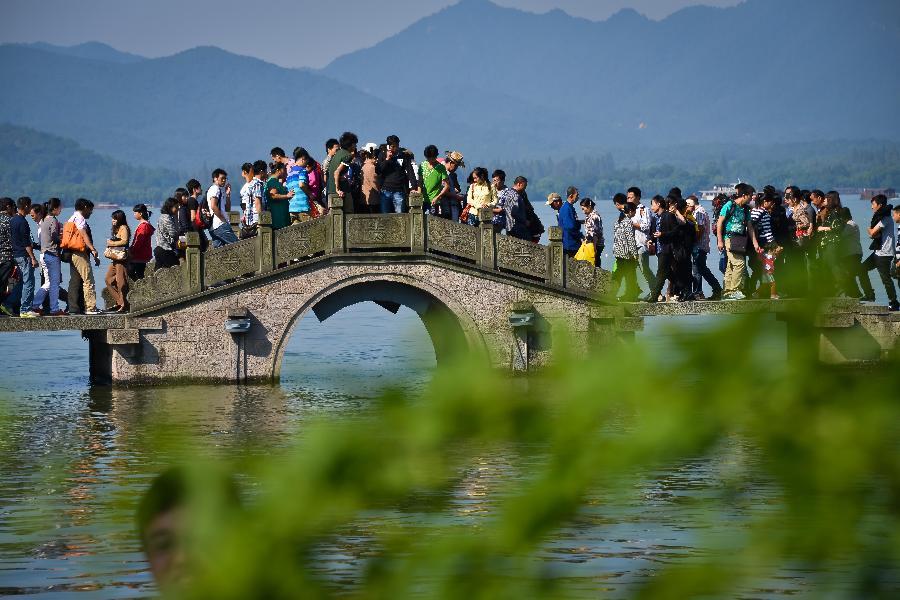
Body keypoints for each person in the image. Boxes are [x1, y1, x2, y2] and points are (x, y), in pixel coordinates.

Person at [716, 183, 759, 301]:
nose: (752, 198)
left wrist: (755, 244)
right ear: (744, 195)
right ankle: (735, 290)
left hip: (740, 240)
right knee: (739, 264)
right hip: (729, 238)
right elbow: (719, 223)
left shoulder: (745, 209)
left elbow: (750, 227)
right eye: (750, 195)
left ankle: (727, 291)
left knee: (731, 265)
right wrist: (720, 240)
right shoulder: (729, 205)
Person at [65, 198, 102, 315]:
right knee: (88, 280)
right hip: (80, 253)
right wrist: (92, 249)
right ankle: (90, 307)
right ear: (85, 207)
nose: (91, 212)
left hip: (72, 253)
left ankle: (73, 307)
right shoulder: (80, 218)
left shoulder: (71, 218)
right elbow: (83, 233)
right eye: (90, 210)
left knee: (74, 281)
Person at [3, 197, 38, 317]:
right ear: (27, 206)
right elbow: (26, 243)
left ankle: (8, 303)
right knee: (29, 282)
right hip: (24, 255)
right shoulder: (23, 222)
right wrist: (33, 257)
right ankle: (26, 309)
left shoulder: (12, 220)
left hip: (15, 255)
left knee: (20, 282)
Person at [31, 199, 65, 316]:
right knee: (54, 283)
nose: (61, 210)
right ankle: (54, 309)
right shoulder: (53, 220)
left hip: (44, 254)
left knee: (48, 283)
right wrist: (63, 240)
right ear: (54, 208)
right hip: (52, 254)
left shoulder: (43, 220)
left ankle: (35, 305)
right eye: (60, 208)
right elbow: (55, 237)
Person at [864, 195, 898, 311]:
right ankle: (869, 295)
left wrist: (868, 229)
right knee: (861, 269)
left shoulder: (885, 219)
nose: (872, 207)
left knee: (886, 279)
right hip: (878, 252)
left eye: (873, 205)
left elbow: (872, 233)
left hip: (885, 253)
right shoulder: (882, 218)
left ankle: (894, 303)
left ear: (880, 205)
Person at [685, 196, 722, 300]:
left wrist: (694, 240)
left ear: (693, 204)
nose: (687, 207)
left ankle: (712, 289)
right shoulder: (698, 211)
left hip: (699, 245)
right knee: (699, 269)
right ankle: (700, 291)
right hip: (701, 245)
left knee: (700, 269)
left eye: (688, 204)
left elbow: (700, 229)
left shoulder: (699, 212)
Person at [645, 195, 679, 302]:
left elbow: (676, 232)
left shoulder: (668, 216)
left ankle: (654, 296)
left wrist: (662, 234)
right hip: (659, 250)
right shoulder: (655, 218)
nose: (651, 207)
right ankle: (683, 286)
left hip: (667, 249)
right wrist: (651, 240)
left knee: (660, 273)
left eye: (652, 204)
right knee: (667, 272)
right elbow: (653, 233)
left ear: (658, 204)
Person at [376, 135, 418, 214]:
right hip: (385, 190)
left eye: (397, 145)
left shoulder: (404, 155)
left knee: (400, 217)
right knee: (385, 216)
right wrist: (387, 159)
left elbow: (410, 171)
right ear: (388, 146)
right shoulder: (382, 154)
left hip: (399, 190)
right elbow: (378, 170)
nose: (395, 148)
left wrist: (413, 187)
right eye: (393, 146)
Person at [840, 207, 874, 301]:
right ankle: (861, 294)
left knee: (854, 274)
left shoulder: (851, 224)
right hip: (852, 254)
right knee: (853, 274)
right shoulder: (850, 224)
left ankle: (864, 294)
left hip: (853, 254)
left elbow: (841, 235)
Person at [612, 202, 641, 301]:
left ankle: (612, 293)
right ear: (630, 211)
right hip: (626, 253)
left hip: (618, 252)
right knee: (630, 275)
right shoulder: (628, 221)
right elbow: (630, 239)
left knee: (618, 274)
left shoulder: (618, 221)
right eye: (634, 211)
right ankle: (630, 295)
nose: (635, 213)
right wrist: (635, 254)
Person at [628, 186, 655, 289]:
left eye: (631, 197)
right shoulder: (628, 210)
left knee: (644, 269)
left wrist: (632, 224)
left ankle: (656, 291)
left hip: (642, 243)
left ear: (638, 197)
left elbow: (646, 225)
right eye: (628, 197)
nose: (629, 199)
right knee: (632, 270)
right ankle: (634, 291)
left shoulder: (644, 210)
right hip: (631, 245)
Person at [104, 210, 131, 312]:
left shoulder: (124, 228)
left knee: (121, 282)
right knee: (108, 279)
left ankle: (124, 304)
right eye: (112, 218)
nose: (113, 221)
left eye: (115, 219)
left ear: (119, 219)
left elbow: (125, 241)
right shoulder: (117, 228)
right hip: (115, 258)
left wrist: (111, 243)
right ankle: (120, 302)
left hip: (122, 259)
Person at [493, 174, 530, 240]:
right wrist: (524, 221)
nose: (525, 188)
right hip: (516, 227)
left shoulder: (510, 193)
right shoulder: (514, 195)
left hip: (511, 226)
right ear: (519, 184)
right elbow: (513, 212)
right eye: (525, 185)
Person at [207, 169, 237, 247]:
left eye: (225, 178)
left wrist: (228, 195)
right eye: (222, 178)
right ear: (215, 178)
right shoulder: (215, 189)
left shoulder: (219, 191)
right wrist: (223, 220)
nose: (224, 180)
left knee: (219, 253)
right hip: (220, 225)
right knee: (238, 246)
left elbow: (227, 209)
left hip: (214, 227)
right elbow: (213, 206)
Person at [329, 132, 358, 209]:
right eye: (355, 144)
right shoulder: (347, 156)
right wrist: (337, 189)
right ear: (351, 144)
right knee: (349, 212)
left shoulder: (338, 153)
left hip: (331, 190)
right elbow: (337, 172)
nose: (355, 146)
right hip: (340, 191)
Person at [418, 144, 449, 215]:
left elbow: (447, 186)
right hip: (422, 200)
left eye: (433, 158)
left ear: (436, 156)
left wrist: (438, 197)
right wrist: (419, 195)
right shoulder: (422, 165)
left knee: (432, 223)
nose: (430, 160)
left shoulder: (441, 167)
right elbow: (420, 181)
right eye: (428, 158)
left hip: (434, 201)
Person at [129, 204, 154, 280]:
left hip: (139, 255)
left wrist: (131, 251)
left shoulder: (143, 226)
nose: (134, 214)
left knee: (137, 274)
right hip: (143, 254)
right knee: (139, 274)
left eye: (135, 212)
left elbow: (139, 241)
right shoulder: (145, 225)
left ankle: (141, 289)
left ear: (140, 213)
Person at [266, 161, 293, 230]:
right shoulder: (272, 182)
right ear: (278, 170)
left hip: (282, 215)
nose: (285, 172)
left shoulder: (276, 181)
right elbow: (273, 195)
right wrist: (286, 196)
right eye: (284, 169)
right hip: (278, 217)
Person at [154, 198, 180, 269]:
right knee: (176, 268)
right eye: (176, 207)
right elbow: (173, 233)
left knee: (158, 271)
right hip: (165, 248)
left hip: (159, 247)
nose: (177, 209)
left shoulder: (163, 216)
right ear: (170, 207)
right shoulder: (167, 218)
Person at [557, 186, 582, 257]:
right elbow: (570, 226)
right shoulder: (567, 208)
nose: (578, 197)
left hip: (569, 242)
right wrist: (580, 236)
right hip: (570, 244)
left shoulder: (568, 207)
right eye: (577, 195)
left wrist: (579, 222)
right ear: (571, 196)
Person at [442, 150, 466, 221]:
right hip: (445, 206)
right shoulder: (443, 173)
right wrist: (457, 197)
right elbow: (443, 191)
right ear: (450, 163)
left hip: (451, 205)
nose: (456, 168)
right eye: (455, 166)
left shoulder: (451, 175)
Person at [186, 179, 209, 252]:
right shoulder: (192, 200)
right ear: (194, 189)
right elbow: (193, 217)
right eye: (199, 187)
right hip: (196, 229)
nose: (201, 189)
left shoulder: (192, 200)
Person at [579, 198, 603, 267]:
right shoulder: (590, 215)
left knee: (595, 263)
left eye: (583, 209)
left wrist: (594, 247)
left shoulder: (594, 216)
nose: (583, 212)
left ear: (589, 207)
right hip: (592, 243)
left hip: (595, 244)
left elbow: (595, 234)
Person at [359, 149, 380, 214]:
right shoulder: (372, 167)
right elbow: (374, 183)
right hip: (372, 198)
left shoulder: (363, 166)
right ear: (374, 157)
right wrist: (380, 191)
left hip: (364, 197)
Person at [321, 138, 339, 205]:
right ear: (329, 149)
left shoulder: (336, 160)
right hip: (330, 188)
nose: (338, 152)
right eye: (336, 149)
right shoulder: (326, 162)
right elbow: (325, 178)